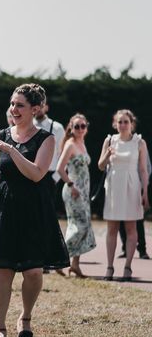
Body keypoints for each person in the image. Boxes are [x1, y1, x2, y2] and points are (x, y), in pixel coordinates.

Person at [0, 84, 69, 337]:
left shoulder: (46, 139)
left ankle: (25, 318)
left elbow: (37, 173)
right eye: (12, 104)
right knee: (3, 269)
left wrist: (11, 150)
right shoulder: (1, 134)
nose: (13, 109)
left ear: (35, 109)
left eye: (20, 105)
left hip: (34, 209)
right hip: (4, 206)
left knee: (33, 272)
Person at [98, 109, 149, 281]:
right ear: (115, 123)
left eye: (126, 122)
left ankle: (128, 267)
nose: (122, 125)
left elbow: (143, 170)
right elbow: (100, 165)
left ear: (131, 124)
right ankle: (110, 267)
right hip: (113, 186)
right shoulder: (109, 140)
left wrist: (145, 192)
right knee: (111, 228)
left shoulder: (139, 142)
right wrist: (107, 154)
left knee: (131, 228)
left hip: (132, 185)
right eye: (119, 122)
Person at [55, 114, 96, 278]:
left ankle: (75, 265)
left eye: (83, 126)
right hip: (73, 192)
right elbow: (59, 168)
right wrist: (72, 185)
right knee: (81, 227)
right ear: (71, 129)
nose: (80, 129)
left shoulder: (82, 143)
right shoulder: (70, 145)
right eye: (77, 126)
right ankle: (59, 258)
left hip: (84, 192)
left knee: (80, 227)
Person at [33, 92, 65, 197]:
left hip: (49, 177)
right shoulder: (27, 126)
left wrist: (55, 178)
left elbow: (63, 155)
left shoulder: (57, 128)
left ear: (46, 107)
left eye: (40, 105)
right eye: (34, 105)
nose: (37, 109)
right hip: (30, 174)